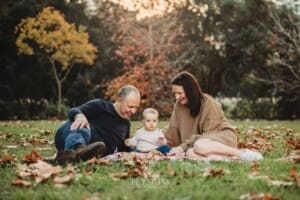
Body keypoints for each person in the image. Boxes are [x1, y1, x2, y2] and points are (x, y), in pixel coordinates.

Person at [165, 71, 263, 161]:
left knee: (199, 146)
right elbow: (172, 131)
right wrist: (161, 145)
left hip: (220, 138)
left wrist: (182, 147)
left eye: (180, 93)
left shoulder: (209, 104)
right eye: (175, 94)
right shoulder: (179, 105)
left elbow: (208, 134)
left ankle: (241, 153)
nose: (176, 97)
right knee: (191, 153)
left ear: (190, 90)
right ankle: (226, 159)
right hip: (198, 144)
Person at [54, 85, 141, 163]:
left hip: (93, 150)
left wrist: (136, 149)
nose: (133, 111)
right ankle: (77, 150)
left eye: (136, 108)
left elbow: (124, 149)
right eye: (131, 107)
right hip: (69, 134)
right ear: (119, 100)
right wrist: (80, 116)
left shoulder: (126, 124)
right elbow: (74, 110)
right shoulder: (101, 105)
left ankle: (72, 157)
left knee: (100, 146)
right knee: (83, 126)